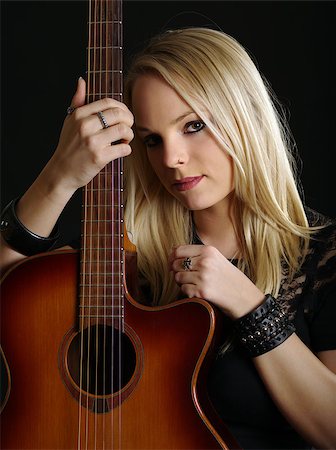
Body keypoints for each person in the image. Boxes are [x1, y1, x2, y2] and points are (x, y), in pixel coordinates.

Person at [1, 28, 335, 449]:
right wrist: (60, 175)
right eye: (152, 140)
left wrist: (251, 307)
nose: (171, 159)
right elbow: (12, 291)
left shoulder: (324, 257)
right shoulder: (123, 256)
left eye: (193, 125)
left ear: (244, 116)